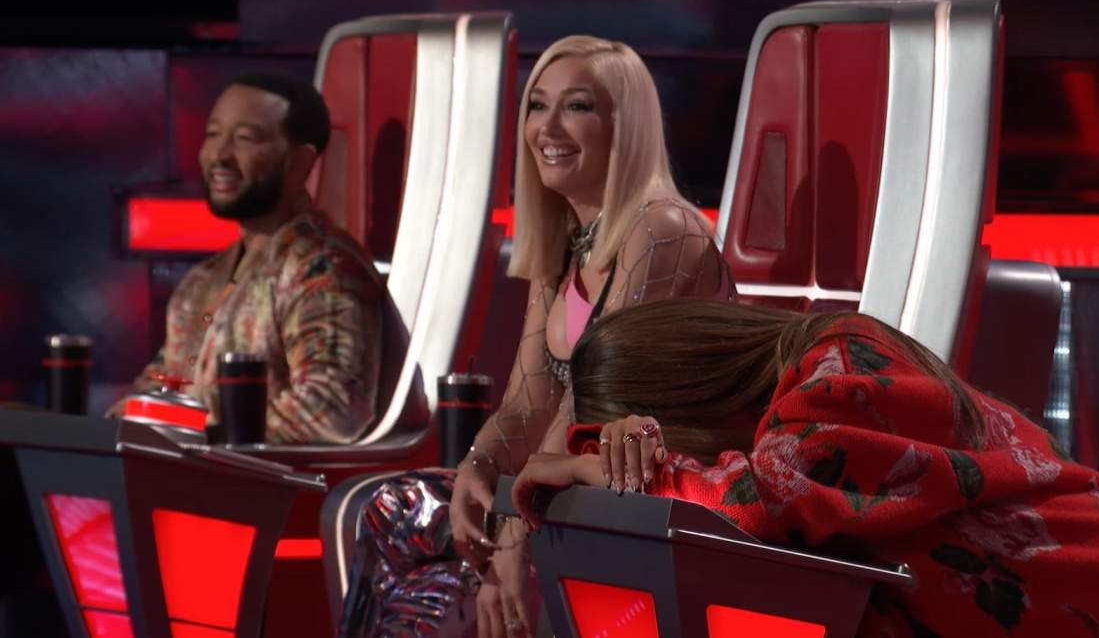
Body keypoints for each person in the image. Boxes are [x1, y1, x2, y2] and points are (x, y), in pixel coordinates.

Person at [341, 36, 735, 638]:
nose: (547, 128)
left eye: (576, 106)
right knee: (391, 510)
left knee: (453, 590)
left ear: (625, 126)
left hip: (649, 495)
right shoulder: (569, 242)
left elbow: (588, 404)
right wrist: (478, 468)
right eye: (537, 105)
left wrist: (512, 538)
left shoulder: (663, 228)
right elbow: (529, 402)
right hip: (570, 489)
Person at [513, 298, 1099, 637]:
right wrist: (608, 454)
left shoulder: (843, 361)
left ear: (686, 395)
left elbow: (767, 497)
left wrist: (622, 473)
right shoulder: (790, 414)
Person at [110, 72, 385, 444]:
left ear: (300, 162)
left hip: (264, 481)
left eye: (245, 138)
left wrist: (194, 433)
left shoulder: (322, 270)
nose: (219, 155)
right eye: (213, 134)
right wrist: (133, 417)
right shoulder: (202, 281)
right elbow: (161, 386)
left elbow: (332, 410)